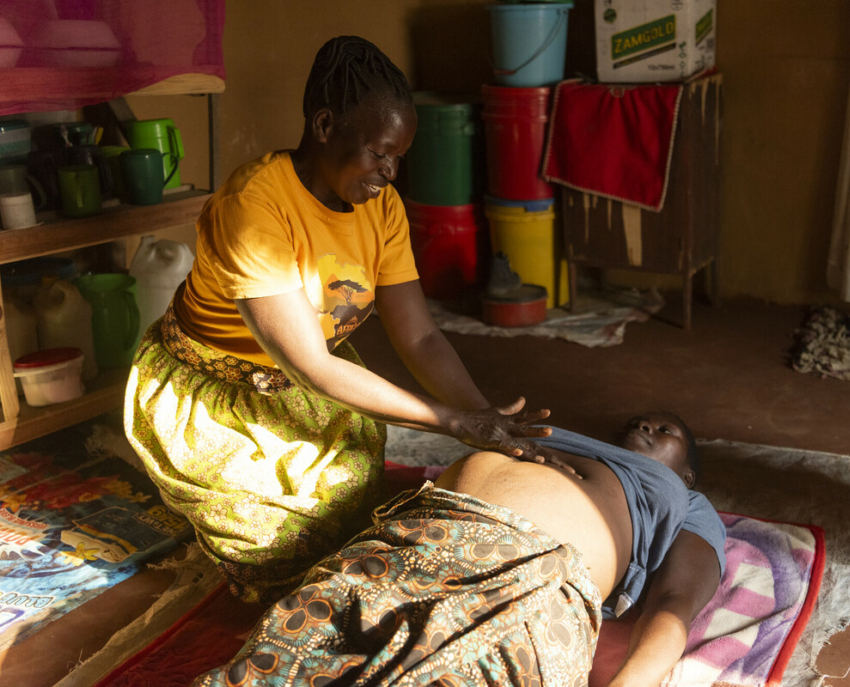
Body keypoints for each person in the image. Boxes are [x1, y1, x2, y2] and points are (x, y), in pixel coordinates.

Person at [124, 36, 557, 605]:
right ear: (325, 125)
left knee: (348, 514)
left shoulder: (381, 208)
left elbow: (420, 335)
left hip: (314, 384)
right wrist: (449, 421)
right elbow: (309, 366)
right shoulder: (255, 207)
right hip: (217, 393)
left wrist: (479, 416)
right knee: (278, 554)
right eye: (380, 153)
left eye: (398, 157)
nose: (389, 173)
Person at [192, 412, 726, 687]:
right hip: (412, 538)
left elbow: (675, 605)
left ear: (688, 473)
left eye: (666, 428)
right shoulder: (562, 436)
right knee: (298, 648)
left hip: (525, 572)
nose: (644, 424)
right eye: (640, 419)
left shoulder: (690, 503)